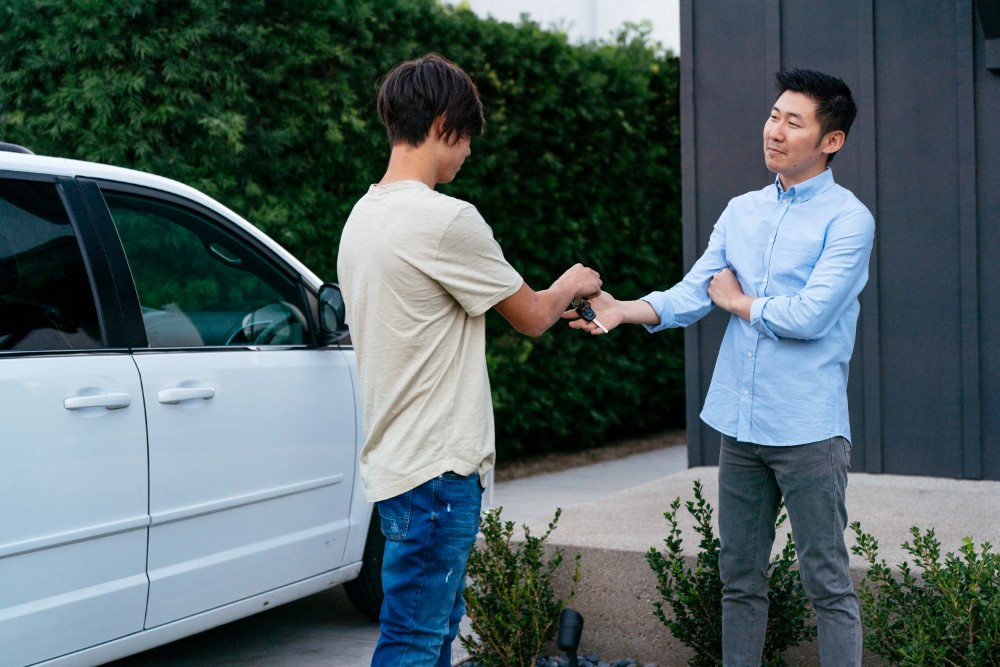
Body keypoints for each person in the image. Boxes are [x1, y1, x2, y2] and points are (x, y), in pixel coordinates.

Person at [569, 69, 873, 666]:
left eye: (794, 121)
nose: (775, 131)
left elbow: (810, 315)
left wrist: (738, 303)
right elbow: (692, 291)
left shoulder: (848, 220)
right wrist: (623, 310)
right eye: (773, 115)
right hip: (742, 424)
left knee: (828, 585)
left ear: (830, 141)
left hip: (809, 429)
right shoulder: (741, 211)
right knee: (739, 581)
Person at [337, 53, 602, 667]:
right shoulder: (446, 219)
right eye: (467, 139)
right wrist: (572, 282)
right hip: (438, 470)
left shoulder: (363, 215)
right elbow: (533, 316)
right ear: (441, 124)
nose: (468, 154)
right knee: (414, 638)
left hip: (400, 464)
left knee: (430, 630)